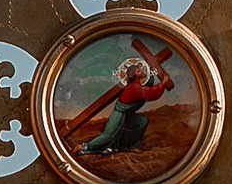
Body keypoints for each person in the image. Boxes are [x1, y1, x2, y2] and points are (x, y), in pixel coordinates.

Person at [64, 40, 177, 169]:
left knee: (141, 121)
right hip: (119, 115)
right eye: (139, 69)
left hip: (128, 115)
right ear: (135, 75)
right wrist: (163, 83)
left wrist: (153, 70)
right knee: (108, 136)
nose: (142, 69)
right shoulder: (134, 88)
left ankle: (132, 147)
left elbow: (148, 86)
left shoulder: (138, 85)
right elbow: (151, 93)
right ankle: (83, 146)